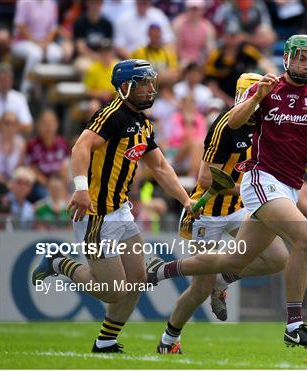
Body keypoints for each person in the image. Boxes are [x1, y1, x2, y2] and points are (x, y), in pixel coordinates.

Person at [147, 34, 307, 348]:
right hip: (260, 181)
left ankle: (161, 270)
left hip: (288, 188)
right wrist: (256, 97)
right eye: (300, 57)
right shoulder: (267, 90)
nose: (305, 64)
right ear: (287, 58)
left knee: (233, 260)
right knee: (305, 239)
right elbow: (234, 120)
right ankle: (294, 326)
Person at [31, 59, 199, 353]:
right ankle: (60, 262)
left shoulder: (143, 123)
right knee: (112, 291)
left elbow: (160, 167)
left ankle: (105, 341)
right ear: (124, 87)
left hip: (120, 211)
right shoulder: (111, 115)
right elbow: (80, 147)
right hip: (95, 214)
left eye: (151, 82)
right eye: (143, 83)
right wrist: (81, 189)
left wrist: (186, 200)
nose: (150, 89)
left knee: (137, 280)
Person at [148, 73, 289, 354]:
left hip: (241, 209)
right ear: (241, 97)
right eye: (255, 95)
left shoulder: (268, 124)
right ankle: (168, 340)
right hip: (207, 211)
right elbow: (204, 180)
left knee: (277, 258)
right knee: (199, 289)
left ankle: (222, 281)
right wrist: (250, 189)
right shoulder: (226, 125)